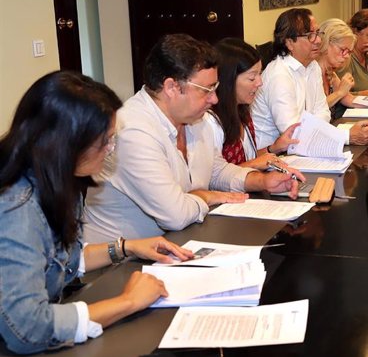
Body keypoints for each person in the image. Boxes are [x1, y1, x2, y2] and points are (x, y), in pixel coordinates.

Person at [0, 71, 194, 355]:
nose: (110, 150)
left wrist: (126, 248)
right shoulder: (15, 207)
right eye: (104, 142)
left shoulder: (57, 181)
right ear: (66, 145)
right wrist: (128, 302)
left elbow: (61, 259)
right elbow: (28, 329)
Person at [84, 34, 302, 243]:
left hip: (175, 244)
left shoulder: (197, 119)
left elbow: (215, 169)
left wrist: (261, 181)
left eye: (215, 88)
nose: (214, 98)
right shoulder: (133, 131)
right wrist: (205, 196)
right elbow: (175, 215)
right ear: (171, 87)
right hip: (119, 265)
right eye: (206, 90)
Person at [251, 8, 368, 149]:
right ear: (289, 43)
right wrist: (346, 136)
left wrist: (317, 130)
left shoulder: (312, 66)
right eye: (310, 35)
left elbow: (323, 112)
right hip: (271, 156)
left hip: (303, 147)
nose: (318, 40)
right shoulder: (279, 75)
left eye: (318, 33)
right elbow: (292, 133)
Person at [209, 37, 299, 169]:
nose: (260, 82)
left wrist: (273, 148)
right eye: (252, 78)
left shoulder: (242, 110)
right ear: (228, 80)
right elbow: (214, 179)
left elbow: (248, 159)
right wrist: (255, 164)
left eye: (260, 74)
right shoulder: (212, 122)